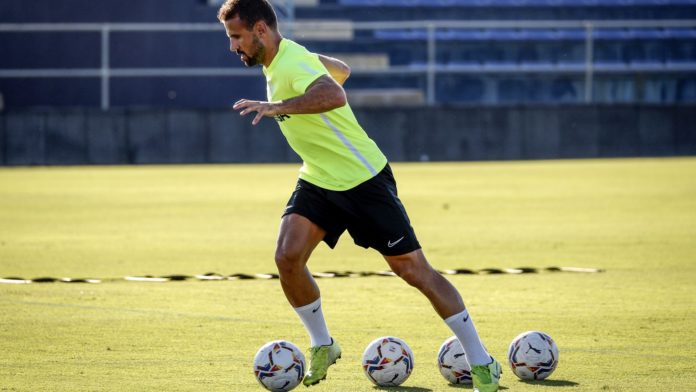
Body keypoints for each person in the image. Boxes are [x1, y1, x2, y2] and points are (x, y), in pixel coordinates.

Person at [217, 1, 501, 390]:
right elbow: (343, 71)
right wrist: (307, 65)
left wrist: (277, 106)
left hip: (363, 180)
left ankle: (481, 361)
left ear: (261, 30)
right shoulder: (286, 58)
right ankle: (323, 344)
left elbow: (335, 93)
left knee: (414, 271)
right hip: (319, 179)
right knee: (287, 257)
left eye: (237, 36)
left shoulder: (291, 63)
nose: (233, 46)